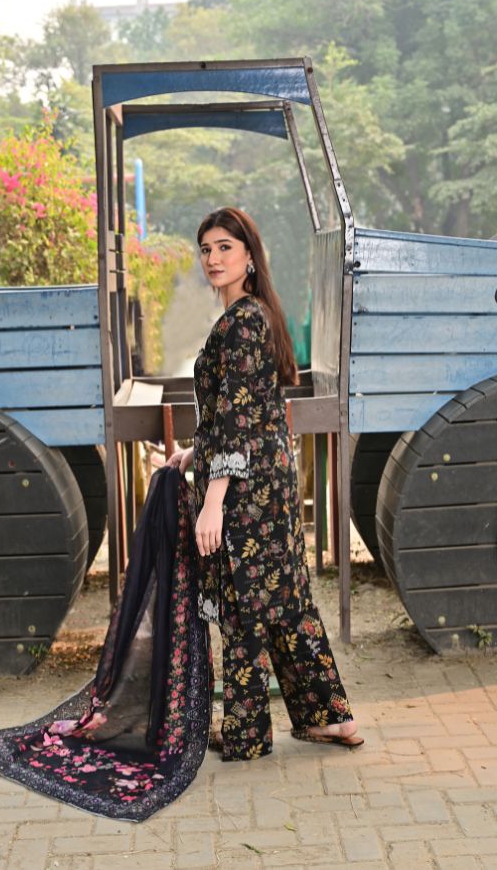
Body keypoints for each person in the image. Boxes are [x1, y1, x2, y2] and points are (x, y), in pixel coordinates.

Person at [167, 206, 363, 761]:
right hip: (265, 484)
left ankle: (247, 733)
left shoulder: (243, 322)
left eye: (225, 247)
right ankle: (334, 719)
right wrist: (194, 452)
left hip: (245, 495)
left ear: (249, 256)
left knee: (244, 608)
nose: (213, 258)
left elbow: (237, 420)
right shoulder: (253, 317)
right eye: (206, 249)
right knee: (286, 602)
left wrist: (212, 503)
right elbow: (247, 412)